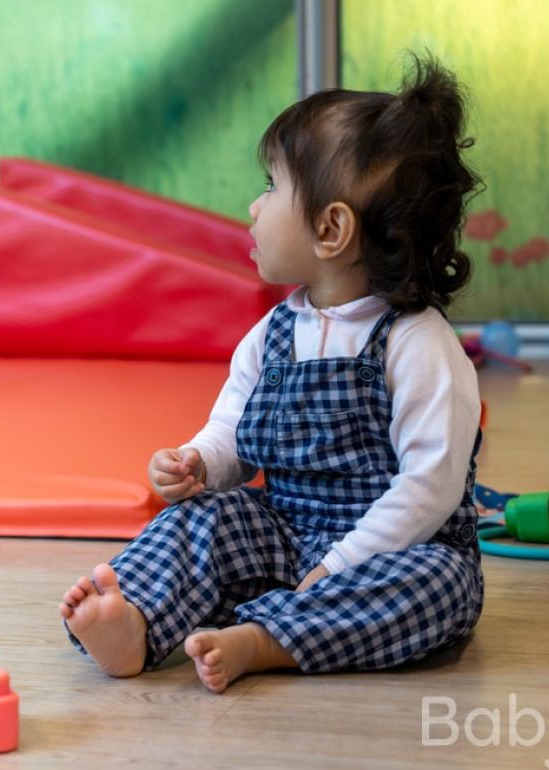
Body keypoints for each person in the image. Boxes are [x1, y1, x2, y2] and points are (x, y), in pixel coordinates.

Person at [59, 54, 485, 693]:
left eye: (270, 186)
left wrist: (343, 565)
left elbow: (430, 489)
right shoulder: (273, 334)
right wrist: (199, 461)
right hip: (282, 532)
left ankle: (264, 641)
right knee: (199, 520)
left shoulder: (417, 344)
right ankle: (135, 625)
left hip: (385, 554)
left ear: (330, 228)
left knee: (441, 585)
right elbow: (233, 425)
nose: (254, 207)